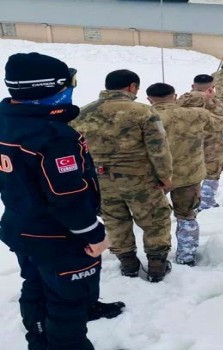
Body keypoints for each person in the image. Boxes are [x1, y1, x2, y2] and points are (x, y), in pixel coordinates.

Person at [0, 52, 124, 350]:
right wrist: (93, 234)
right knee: (65, 302)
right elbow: (68, 196)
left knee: (37, 283)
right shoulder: (52, 138)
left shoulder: (9, 121)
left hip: (21, 224)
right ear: (49, 88)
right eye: (70, 83)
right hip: (58, 235)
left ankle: (41, 338)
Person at [70, 69, 173, 282]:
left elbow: (74, 151)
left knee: (115, 221)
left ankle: (128, 264)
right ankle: (156, 265)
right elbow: (158, 149)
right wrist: (165, 176)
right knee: (155, 220)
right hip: (140, 180)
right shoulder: (143, 112)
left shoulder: (81, 114)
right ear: (132, 86)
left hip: (101, 181)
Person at [147, 83, 221, 266]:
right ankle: (186, 256)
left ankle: (157, 258)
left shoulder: (144, 116)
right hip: (190, 176)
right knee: (187, 216)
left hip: (155, 178)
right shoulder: (197, 114)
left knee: (154, 218)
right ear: (175, 95)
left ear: (149, 99)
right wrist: (210, 102)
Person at [178, 74, 223, 210]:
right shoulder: (215, 103)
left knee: (189, 173)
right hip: (212, 145)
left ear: (193, 86)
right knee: (213, 172)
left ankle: (190, 201)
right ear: (212, 88)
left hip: (185, 146)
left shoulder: (180, 101)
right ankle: (206, 200)